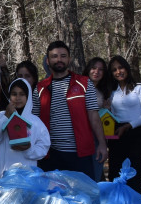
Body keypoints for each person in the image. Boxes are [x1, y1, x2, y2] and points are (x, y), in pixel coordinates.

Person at [33, 41, 108, 177]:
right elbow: (35, 121)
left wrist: (102, 144)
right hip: (50, 155)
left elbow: (94, 116)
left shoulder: (84, 83)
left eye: (63, 56)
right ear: (48, 61)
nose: (59, 59)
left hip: (80, 155)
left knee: (82, 196)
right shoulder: (40, 88)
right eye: (54, 56)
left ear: (69, 59)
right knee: (53, 197)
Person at [0, 78, 51, 181]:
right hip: (2, 177)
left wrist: (29, 149)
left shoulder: (35, 122)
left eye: (22, 94)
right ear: (9, 96)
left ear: (28, 96)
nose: (18, 98)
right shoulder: (1, 116)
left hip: (27, 178)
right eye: (14, 94)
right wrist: (6, 116)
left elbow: (44, 147)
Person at [106, 56, 141, 194]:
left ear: (126, 68)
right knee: (115, 171)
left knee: (133, 173)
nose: (118, 72)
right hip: (117, 133)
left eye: (121, 68)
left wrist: (129, 126)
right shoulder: (112, 91)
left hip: (137, 133)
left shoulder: (139, 87)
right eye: (114, 70)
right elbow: (112, 114)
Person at [85, 57, 111, 179]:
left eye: (100, 69)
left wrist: (106, 109)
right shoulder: (80, 87)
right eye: (94, 68)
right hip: (83, 135)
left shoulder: (102, 91)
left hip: (98, 136)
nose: (96, 72)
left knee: (96, 170)